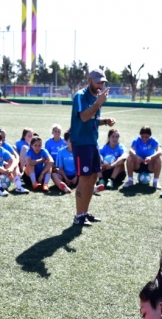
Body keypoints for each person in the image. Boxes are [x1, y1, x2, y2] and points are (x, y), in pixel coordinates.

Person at [69, 68, 116, 226]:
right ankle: (78, 216)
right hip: (81, 144)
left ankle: (85, 212)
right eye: (98, 82)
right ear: (89, 80)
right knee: (84, 179)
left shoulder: (97, 97)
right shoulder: (80, 96)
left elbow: (92, 118)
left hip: (92, 143)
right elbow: (83, 117)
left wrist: (104, 121)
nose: (101, 85)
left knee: (94, 178)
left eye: (103, 82)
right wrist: (98, 103)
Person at [53, 129, 78, 194]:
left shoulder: (79, 151)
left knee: (87, 175)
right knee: (53, 175)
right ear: (66, 141)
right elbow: (60, 168)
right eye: (70, 140)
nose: (73, 142)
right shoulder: (61, 151)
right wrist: (66, 178)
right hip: (64, 176)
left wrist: (76, 177)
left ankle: (93, 187)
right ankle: (64, 187)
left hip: (77, 176)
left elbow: (80, 166)